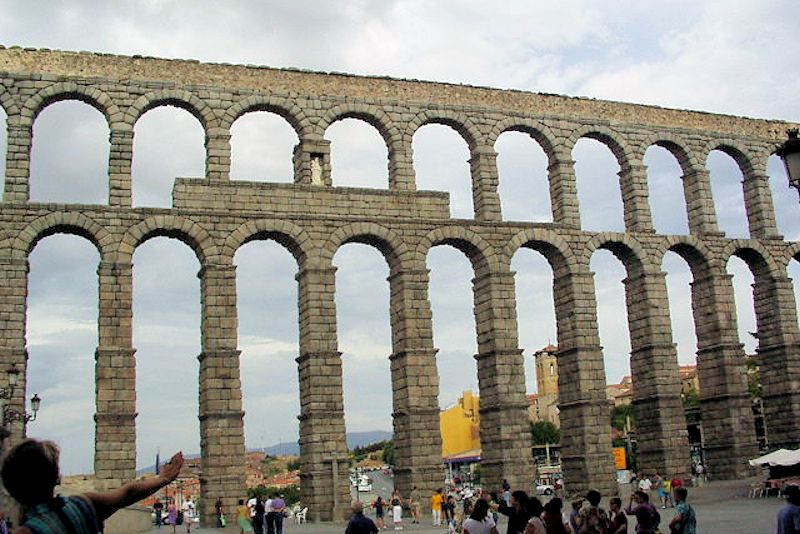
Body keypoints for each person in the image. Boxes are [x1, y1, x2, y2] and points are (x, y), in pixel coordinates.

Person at [0, 438, 184, 534]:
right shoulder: (82, 505)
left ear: (9, 487)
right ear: (57, 478)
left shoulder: (26, 532)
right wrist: (163, 479)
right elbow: (128, 493)